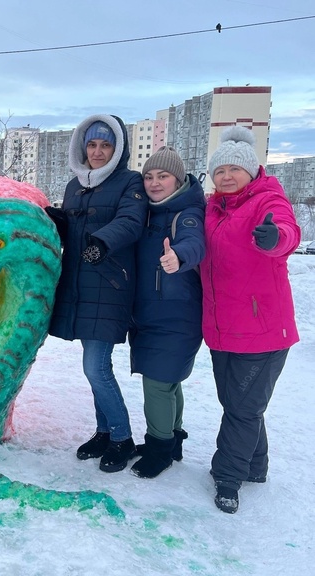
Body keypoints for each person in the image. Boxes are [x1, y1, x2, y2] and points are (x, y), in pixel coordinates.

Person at [202, 126, 300, 513]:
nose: (226, 176)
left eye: (234, 169)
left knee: (242, 409)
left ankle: (228, 477)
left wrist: (275, 238)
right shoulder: (213, 206)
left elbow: (289, 232)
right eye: (219, 170)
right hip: (222, 327)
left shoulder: (267, 199)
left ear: (251, 170)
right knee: (239, 403)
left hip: (262, 331)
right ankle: (256, 465)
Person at [48, 115, 147, 473]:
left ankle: (122, 437)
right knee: (94, 366)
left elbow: (132, 221)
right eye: (92, 144)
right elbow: (75, 227)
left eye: (106, 145)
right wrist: (58, 222)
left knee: (96, 367)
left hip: (109, 284)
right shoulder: (76, 185)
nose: (98, 152)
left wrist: (101, 242)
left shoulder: (128, 181)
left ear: (117, 149)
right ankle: (104, 431)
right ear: (82, 146)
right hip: (79, 286)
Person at [128, 147, 206, 478]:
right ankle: (171, 441)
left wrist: (179, 257)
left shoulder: (185, 213)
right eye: (149, 176)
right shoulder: (149, 212)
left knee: (157, 384)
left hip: (176, 317)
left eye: (163, 176)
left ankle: (159, 448)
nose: (154, 183)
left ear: (178, 179)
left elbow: (194, 241)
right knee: (170, 383)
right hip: (150, 314)